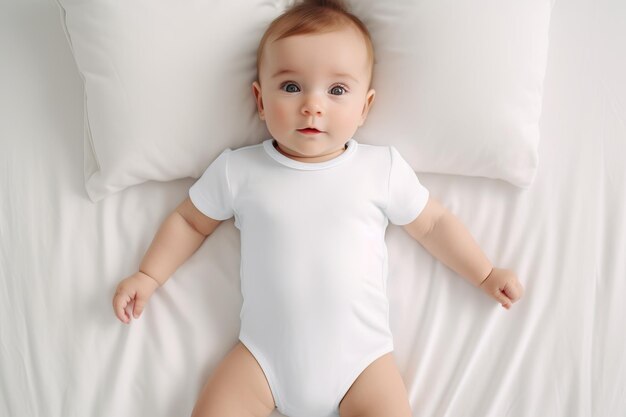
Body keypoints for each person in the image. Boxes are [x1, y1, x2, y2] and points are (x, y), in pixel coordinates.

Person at [112, 1, 524, 416]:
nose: (313, 105)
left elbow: (434, 224)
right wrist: (149, 275)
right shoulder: (239, 169)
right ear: (259, 98)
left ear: (364, 106)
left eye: (337, 91)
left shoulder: (380, 169)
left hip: (363, 364)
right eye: (291, 87)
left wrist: (485, 273)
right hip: (261, 361)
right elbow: (189, 221)